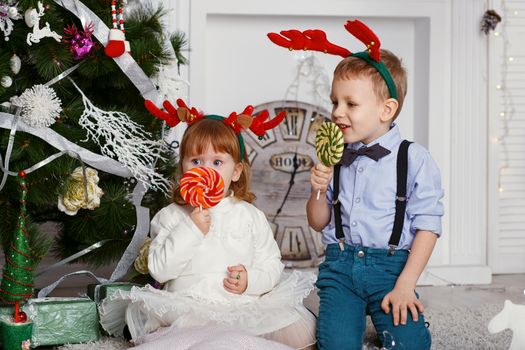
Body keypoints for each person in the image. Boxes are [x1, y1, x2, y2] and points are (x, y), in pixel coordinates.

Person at [99, 106, 317, 350]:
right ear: (183, 170)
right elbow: (160, 270)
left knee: (296, 333)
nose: (205, 170)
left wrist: (250, 280)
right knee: (191, 341)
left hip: (240, 308)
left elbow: (271, 264)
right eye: (196, 161)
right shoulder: (169, 217)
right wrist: (190, 228)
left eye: (217, 162)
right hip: (186, 309)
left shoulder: (249, 216)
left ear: (235, 171)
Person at [303, 23, 444, 350]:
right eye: (334, 101)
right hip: (340, 267)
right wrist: (317, 190)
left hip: (392, 270)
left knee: (410, 344)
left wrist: (406, 284)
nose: (337, 112)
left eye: (350, 104)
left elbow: (428, 226)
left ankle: (408, 321)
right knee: (335, 344)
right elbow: (317, 221)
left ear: (386, 109)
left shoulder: (414, 159)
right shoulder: (334, 155)